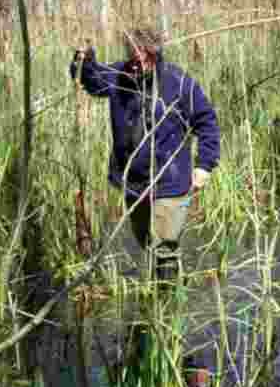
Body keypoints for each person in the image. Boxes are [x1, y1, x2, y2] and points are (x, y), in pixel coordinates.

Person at [71, 28, 221, 279]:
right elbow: (93, 81)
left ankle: (167, 302)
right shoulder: (120, 75)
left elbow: (207, 122)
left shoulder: (178, 83)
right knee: (145, 242)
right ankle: (156, 287)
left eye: (144, 57)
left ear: (155, 53)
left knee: (165, 246)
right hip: (134, 180)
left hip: (170, 180)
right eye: (133, 57)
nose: (138, 64)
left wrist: (205, 166)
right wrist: (84, 62)